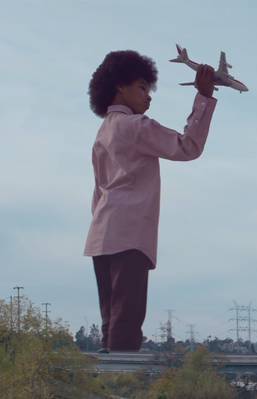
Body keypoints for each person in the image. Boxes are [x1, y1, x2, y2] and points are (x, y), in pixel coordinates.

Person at [84, 50, 217, 352]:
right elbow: (187, 147)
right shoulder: (135, 126)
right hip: (130, 235)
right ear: (120, 86)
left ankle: (108, 384)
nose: (148, 96)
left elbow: (97, 190)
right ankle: (124, 381)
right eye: (142, 87)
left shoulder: (102, 131)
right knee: (127, 321)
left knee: (111, 320)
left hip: (100, 235)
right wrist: (204, 98)